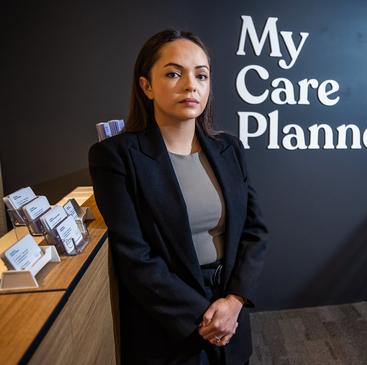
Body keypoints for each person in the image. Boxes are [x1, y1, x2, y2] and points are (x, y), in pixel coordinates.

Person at [88, 29, 268, 365]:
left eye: (201, 75)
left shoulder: (229, 149)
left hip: (229, 305)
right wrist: (206, 317)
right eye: (174, 73)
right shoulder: (115, 156)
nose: (191, 85)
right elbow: (135, 256)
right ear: (146, 86)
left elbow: (254, 232)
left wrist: (234, 302)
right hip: (167, 319)